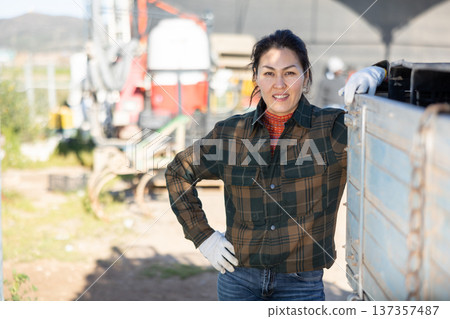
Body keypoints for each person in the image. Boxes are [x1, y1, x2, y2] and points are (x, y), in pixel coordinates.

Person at [165, 29, 386, 301]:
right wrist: (204, 237)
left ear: (306, 78)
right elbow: (178, 171)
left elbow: (389, 129)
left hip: (300, 287)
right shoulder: (231, 133)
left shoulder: (332, 130)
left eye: (290, 73)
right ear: (256, 77)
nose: (279, 84)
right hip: (238, 281)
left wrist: (380, 74)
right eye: (268, 73)